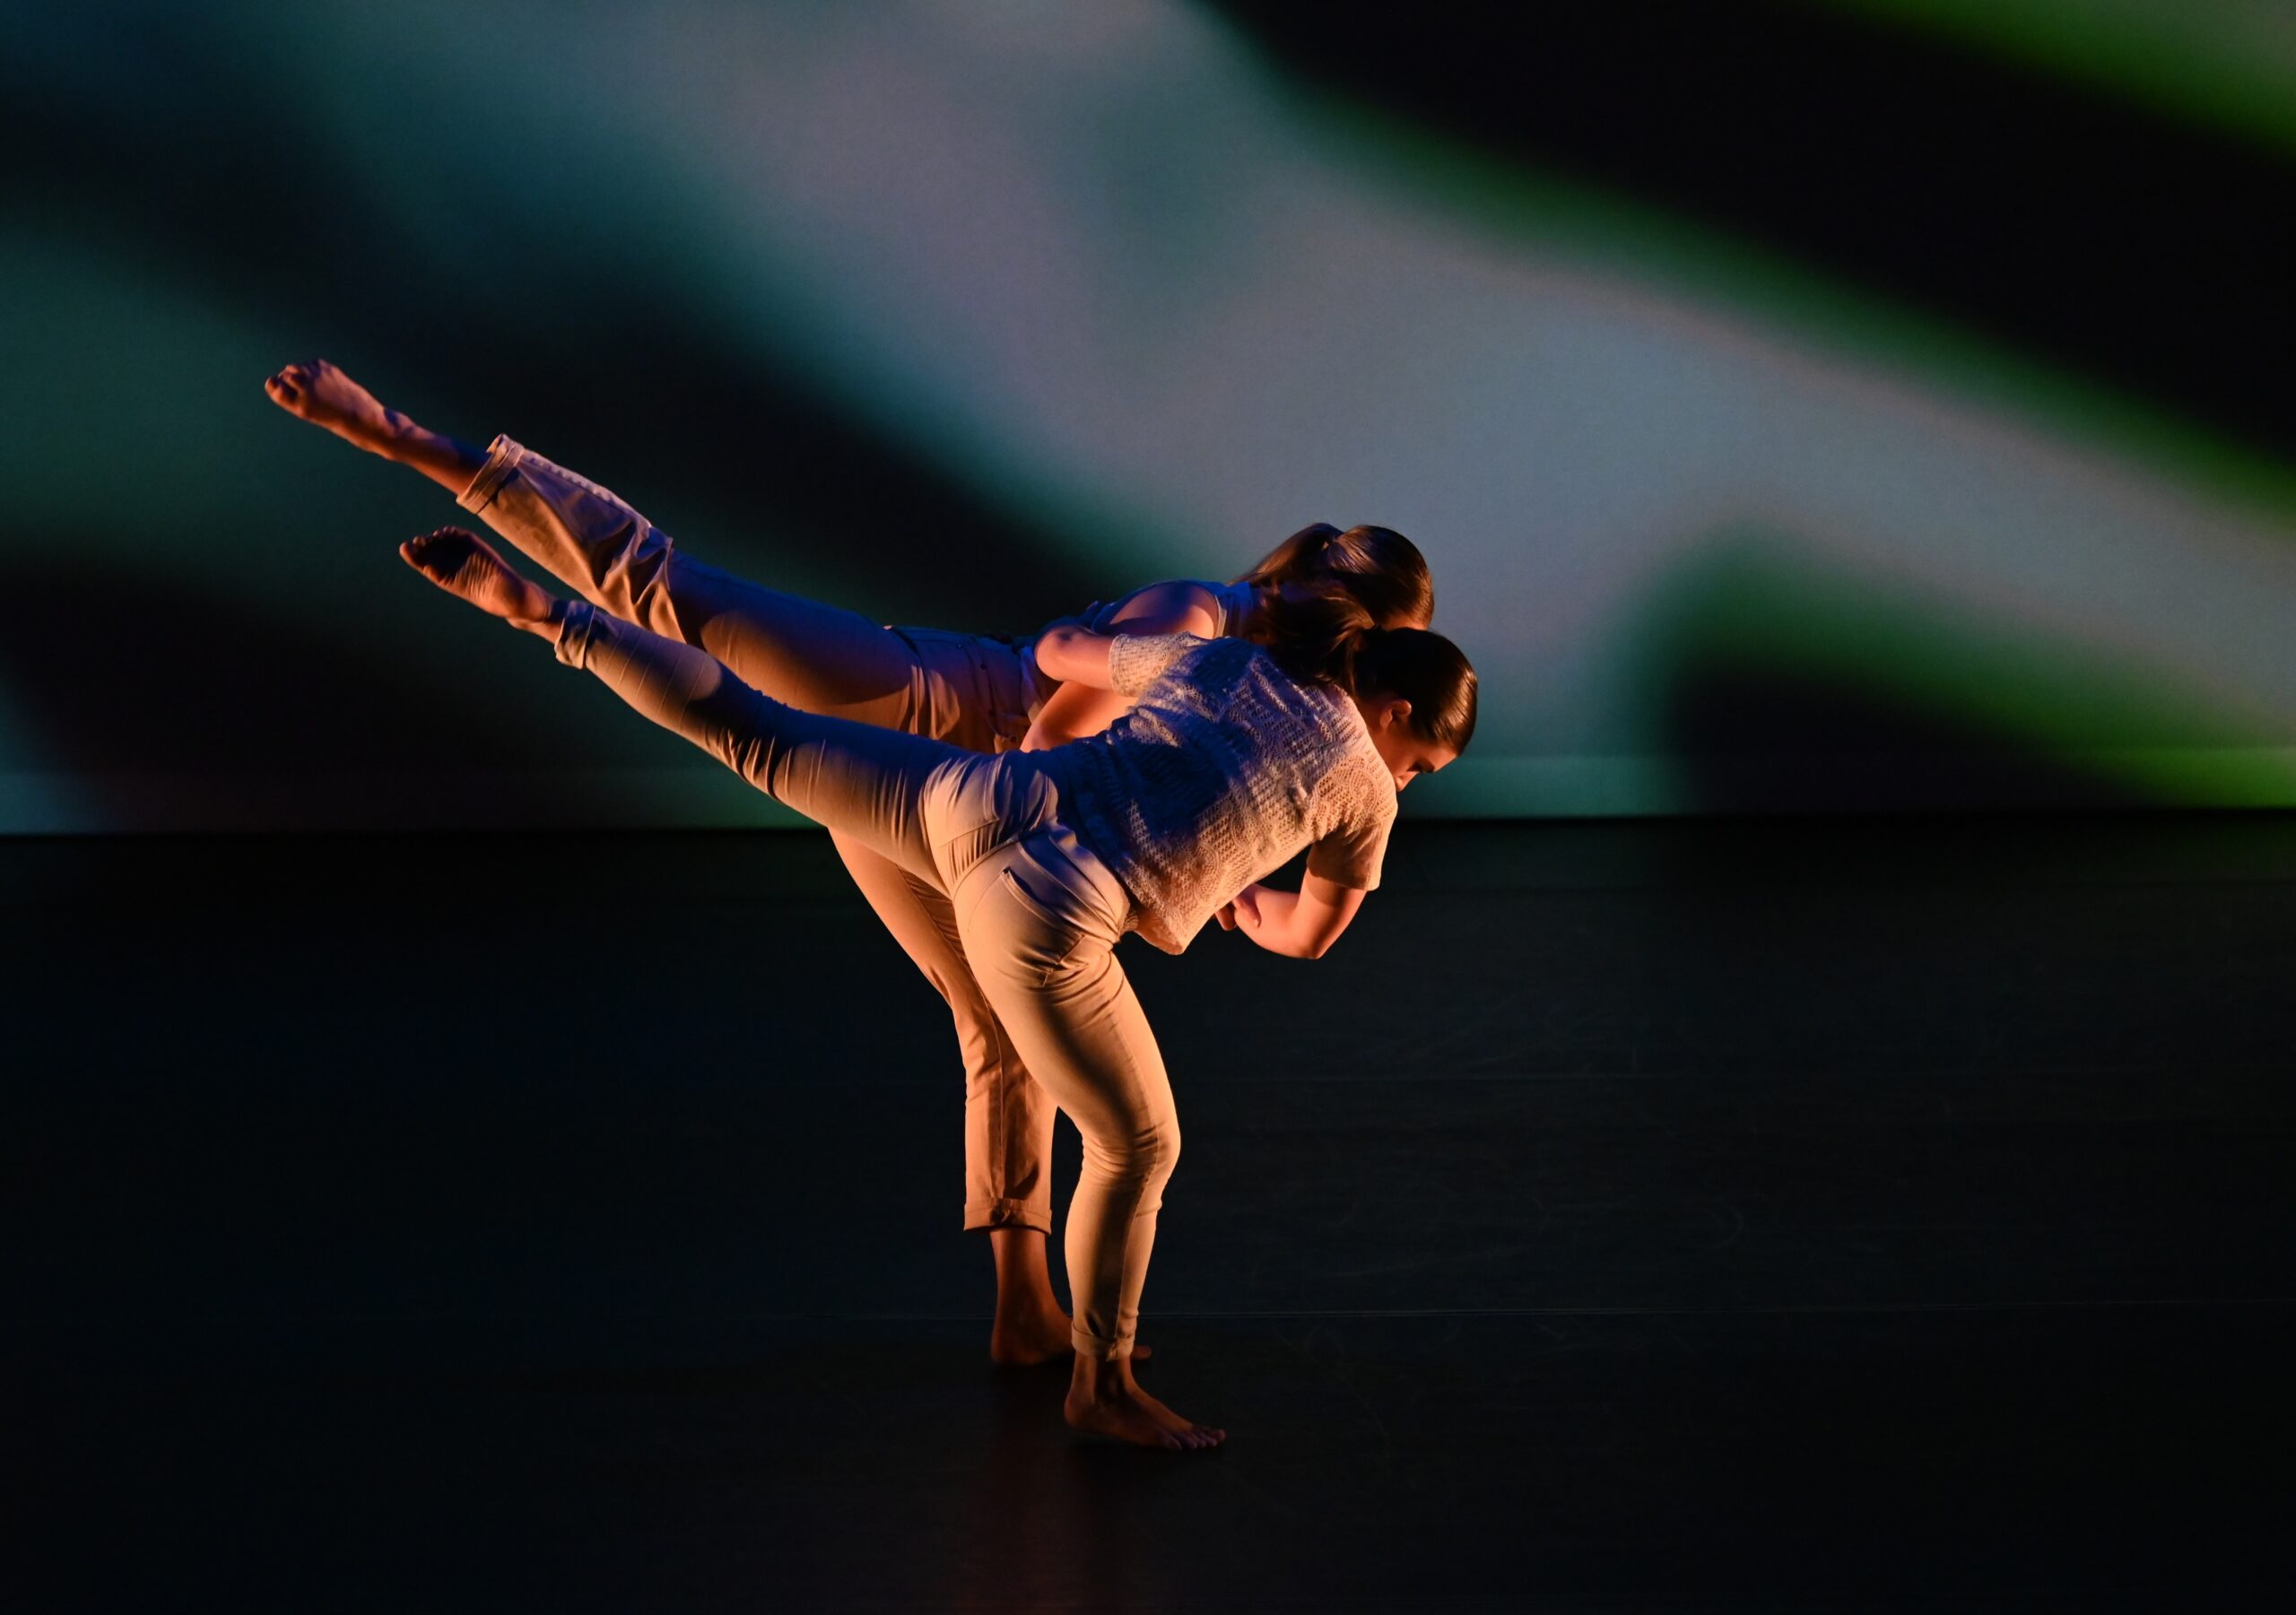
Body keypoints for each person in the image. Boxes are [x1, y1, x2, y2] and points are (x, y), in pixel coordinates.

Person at [266, 359, 1437, 1367]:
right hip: (934, 712)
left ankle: (1024, 1310)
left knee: (997, 1024)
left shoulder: (1269, 688)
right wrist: (1109, 857)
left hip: (964, 809)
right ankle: (402, 440)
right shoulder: (1206, 620)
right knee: (676, 591)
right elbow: (1055, 728)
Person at [394, 519, 1477, 1450]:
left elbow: (1061, 649)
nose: (1406, 782)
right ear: (1390, 714)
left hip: (980, 796)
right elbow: (1313, 934)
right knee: (1138, 1146)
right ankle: (1101, 1384)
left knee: (760, 735)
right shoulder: (1364, 794)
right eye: (1419, 763)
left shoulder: (1222, 664)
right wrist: (1245, 907)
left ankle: (555, 619)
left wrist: (1093, 666)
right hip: (1049, 913)